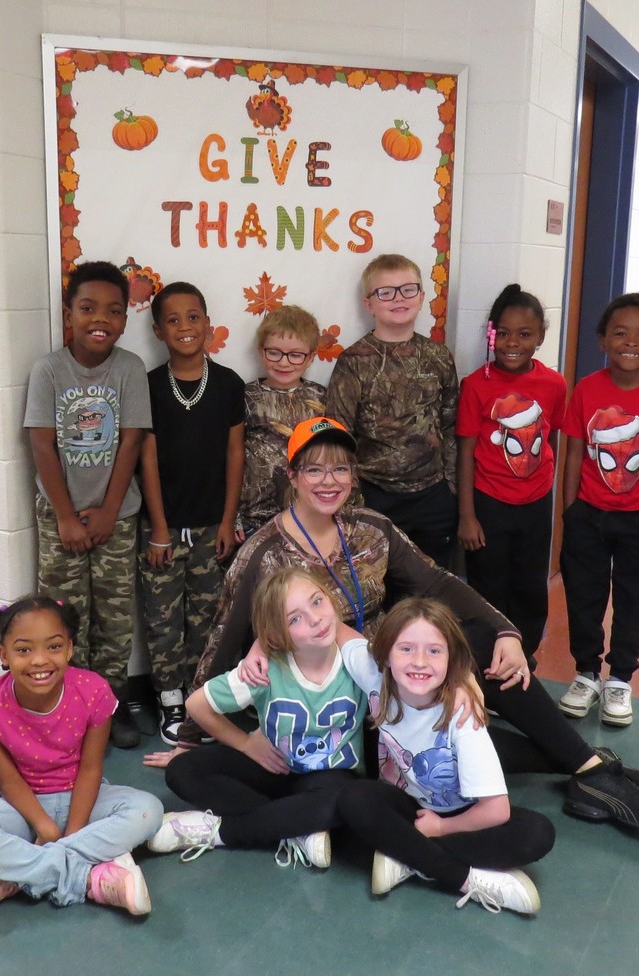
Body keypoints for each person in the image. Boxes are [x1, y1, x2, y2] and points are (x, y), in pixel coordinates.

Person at [165, 416, 639, 832]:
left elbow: (438, 583)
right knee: (429, 752)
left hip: (388, 662)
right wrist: (191, 735)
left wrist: (506, 631)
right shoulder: (263, 552)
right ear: (293, 475)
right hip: (339, 701)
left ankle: (587, 769)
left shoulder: (372, 528)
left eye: (341, 470)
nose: (329, 482)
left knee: (476, 640)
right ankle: (585, 764)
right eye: (315, 470)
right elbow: (225, 637)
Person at [0, 597, 163, 919]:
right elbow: (8, 780)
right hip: (23, 807)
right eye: (23, 650)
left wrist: (71, 830)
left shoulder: (94, 691)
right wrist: (44, 826)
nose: (40, 661)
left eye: (54, 647)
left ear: (70, 649)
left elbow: (90, 768)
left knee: (148, 809)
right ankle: (90, 878)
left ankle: (13, 877)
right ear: (4, 654)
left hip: (85, 802)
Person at [336, 598, 555, 915]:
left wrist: (441, 828)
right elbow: (336, 630)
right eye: (406, 649)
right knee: (353, 798)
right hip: (414, 808)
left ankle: (407, 856)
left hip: (465, 818)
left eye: (434, 651)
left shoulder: (461, 717)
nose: (420, 662)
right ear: (383, 654)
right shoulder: (373, 672)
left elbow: (495, 810)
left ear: (452, 660)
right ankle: (463, 877)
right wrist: (260, 647)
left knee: (536, 833)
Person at [146, 568, 367, 868]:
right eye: (294, 618)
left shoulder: (358, 661)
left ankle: (219, 832)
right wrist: (246, 744)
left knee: (341, 801)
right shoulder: (266, 667)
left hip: (330, 776)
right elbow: (197, 705)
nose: (314, 619)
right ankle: (295, 828)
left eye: (317, 602)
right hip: (275, 767)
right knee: (181, 769)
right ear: (276, 635)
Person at [24, 260, 151, 749]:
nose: (101, 318)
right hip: (60, 516)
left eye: (115, 311)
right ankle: (66, 707)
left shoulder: (130, 369)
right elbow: (42, 446)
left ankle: (109, 704)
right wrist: (64, 516)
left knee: (115, 619)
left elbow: (132, 442)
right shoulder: (49, 370)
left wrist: (107, 510)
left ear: (125, 318)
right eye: (88, 307)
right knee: (62, 615)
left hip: (116, 516)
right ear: (68, 312)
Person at [558, 293, 639, 728]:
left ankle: (620, 680)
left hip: (638, 523)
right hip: (587, 516)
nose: (631, 342)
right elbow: (574, 455)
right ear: (602, 340)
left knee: (634, 601)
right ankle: (587, 673)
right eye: (619, 333)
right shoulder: (587, 390)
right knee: (584, 596)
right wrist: (571, 509)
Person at [139, 281, 245, 745]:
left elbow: (235, 454)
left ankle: (200, 697)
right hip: (162, 528)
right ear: (158, 329)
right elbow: (146, 459)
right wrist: (159, 527)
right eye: (173, 319)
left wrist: (227, 521)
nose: (185, 327)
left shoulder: (227, 384)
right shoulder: (148, 387)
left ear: (208, 322)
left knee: (206, 619)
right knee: (163, 620)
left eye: (194, 316)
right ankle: (169, 699)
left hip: (210, 527)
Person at [457, 284, 567, 658]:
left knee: (530, 586)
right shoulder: (475, 385)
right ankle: (487, 661)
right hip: (488, 504)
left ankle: (524, 657)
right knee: (489, 587)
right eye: (502, 333)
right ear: (491, 334)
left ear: (540, 337)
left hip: (536, 504)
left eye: (524, 334)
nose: (511, 342)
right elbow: (466, 452)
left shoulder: (554, 384)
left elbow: (552, 440)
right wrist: (468, 516)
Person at [326, 253, 458, 566]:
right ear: (369, 303)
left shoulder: (439, 357)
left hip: (433, 497)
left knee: (432, 586)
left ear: (422, 297)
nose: (398, 298)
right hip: (375, 497)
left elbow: (451, 424)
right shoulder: (353, 361)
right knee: (378, 584)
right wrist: (351, 498)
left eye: (408, 289)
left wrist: (451, 488)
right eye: (386, 292)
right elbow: (338, 435)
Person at [239, 304, 327, 539]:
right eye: (274, 352)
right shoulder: (246, 396)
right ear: (261, 351)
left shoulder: (321, 398)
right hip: (253, 517)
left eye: (295, 355)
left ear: (311, 357)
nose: (284, 363)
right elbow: (230, 456)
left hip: (308, 516)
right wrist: (234, 518)